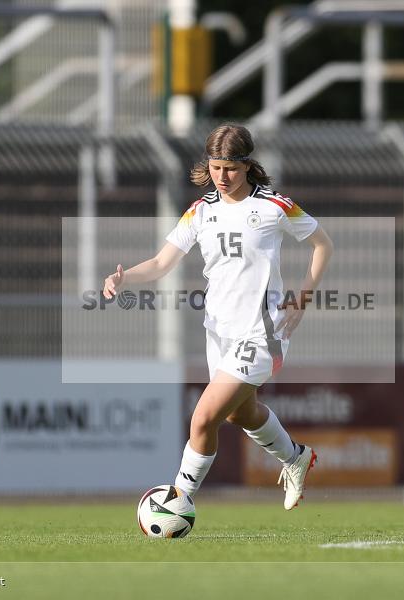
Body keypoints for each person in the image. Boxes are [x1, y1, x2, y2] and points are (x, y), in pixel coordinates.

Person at [103, 123, 334, 509]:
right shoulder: (200, 211)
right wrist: (124, 278)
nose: (221, 177)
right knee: (239, 415)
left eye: (229, 168)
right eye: (214, 167)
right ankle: (295, 457)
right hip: (219, 332)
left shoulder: (274, 206)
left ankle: (177, 500)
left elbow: (323, 245)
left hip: (262, 332)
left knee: (203, 418)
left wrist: (302, 298)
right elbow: (162, 263)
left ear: (246, 166)